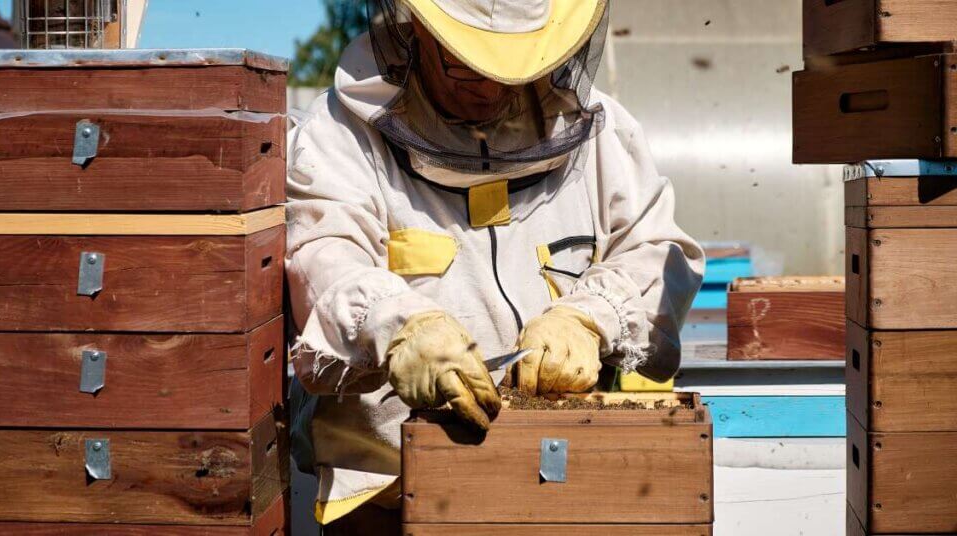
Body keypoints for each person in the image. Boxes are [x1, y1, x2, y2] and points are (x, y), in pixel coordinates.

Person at [286, 0, 705, 532]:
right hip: (388, 499)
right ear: (415, 31)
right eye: (464, 61)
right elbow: (324, 253)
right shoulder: (340, 135)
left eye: (513, 64)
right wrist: (398, 326)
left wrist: (591, 315)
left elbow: (657, 250)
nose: (487, 84)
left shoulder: (601, 133)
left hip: (564, 491)